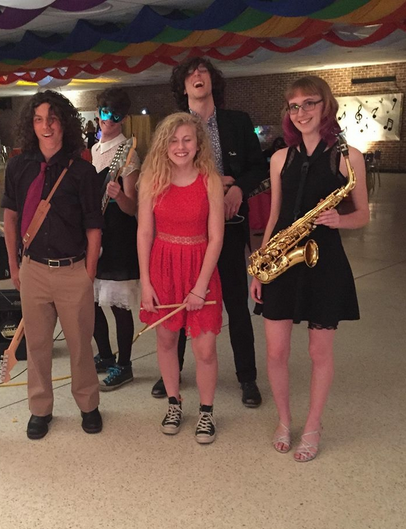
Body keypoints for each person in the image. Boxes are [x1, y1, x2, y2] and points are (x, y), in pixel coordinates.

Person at [250, 76, 369, 462]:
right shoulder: (280, 157)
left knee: (320, 352)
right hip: (284, 260)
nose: (301, 112)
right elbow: (274, 216)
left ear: (326, 105)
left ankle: (313, 424)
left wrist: (340, 221)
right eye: (294, 106)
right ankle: (285, 420)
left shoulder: (348, 156)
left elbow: (363, 215)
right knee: (275, 351)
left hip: (325, 260)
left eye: (310, 103)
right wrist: (260, 265)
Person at [156, 56, 267, 407]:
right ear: (182, 86)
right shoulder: (173, 127)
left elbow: (258, 167)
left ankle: (247, 378)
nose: (197, 77)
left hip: (229, 228)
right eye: (190, 74)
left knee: (235, 302)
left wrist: (238, 190)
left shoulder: (238, 122)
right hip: (184, 232)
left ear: (212, 80)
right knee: (182, 302)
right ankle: (172, 372)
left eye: (203, 71)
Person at [1, 90, 104, 440]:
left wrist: (88, 273)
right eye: (39, 119)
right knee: (38, 346)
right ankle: (40, 409)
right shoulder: (18, 167)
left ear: (65, 124)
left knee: (79, 346)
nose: (46, 126)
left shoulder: (83, 171)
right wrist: (15, 267)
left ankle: (89, 404)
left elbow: (94, 227)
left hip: (73, 270)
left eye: (53, 119)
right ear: (32, 125)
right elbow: (11, 219)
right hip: (33, 270)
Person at [138, 112, 224, 444]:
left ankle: (206, 411)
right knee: (166, 340)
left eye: (187, 139)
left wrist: (201, 286)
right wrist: (146, 282)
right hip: (163, 267)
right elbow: (144, 233)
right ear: (164, 144)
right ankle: (174, 402)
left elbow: (216, 237)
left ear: (198, 143)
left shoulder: (210, 180)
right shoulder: (151, 179)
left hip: (200, 267)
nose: (180, 146)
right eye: (173, 140)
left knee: (205, 349)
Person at [91, 88, 140, 390]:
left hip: (120, 235)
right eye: (104, 112)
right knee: (91, 300)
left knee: (119, 305)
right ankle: (106, 355)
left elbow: (133, 207)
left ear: (123, 118)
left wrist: (120, 194)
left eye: (115, 115)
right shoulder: (94, 149)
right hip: (96, 233)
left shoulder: (129, 153)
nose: (108, 120)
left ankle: (125, 364)